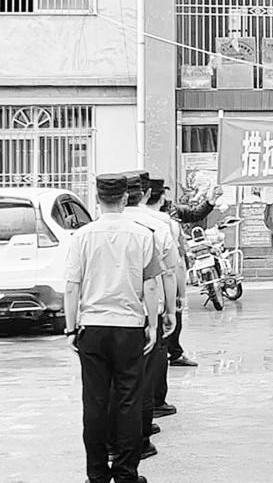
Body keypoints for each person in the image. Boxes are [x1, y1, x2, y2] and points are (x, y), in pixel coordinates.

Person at [64, 174, 163, 483]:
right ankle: (126, 473)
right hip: (129, 327)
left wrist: (70, 328)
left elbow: (72, 286)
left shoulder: (82, 236)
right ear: (124, 199)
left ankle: (96, 475)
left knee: (94, 403)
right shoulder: (143, 235)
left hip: (92, 328)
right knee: (129, 401)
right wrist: (153, 324)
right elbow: (150, 285)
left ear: (97, 199)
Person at [122, 171, 178, 457]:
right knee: (142, 378)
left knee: (111, 383)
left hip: (103, 316)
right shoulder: (158, 226)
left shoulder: (92, 230)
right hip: (144, 311)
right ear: (143, 194)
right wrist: (169, 310)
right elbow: (166, 274)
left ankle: (111, 445)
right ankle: (141, 440)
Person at [159, 183, 221, 368]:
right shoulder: (153, 221)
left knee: (174, 315)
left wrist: (210, 201)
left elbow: (194, 214)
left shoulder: (172, 211)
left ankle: (173, 352)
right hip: (159, 273)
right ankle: (158, 354)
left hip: (171, 272)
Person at [144, 179, 187, 413]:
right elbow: (173, 268)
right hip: (151, 303)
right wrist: (175, 304)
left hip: (102, 314)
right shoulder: (163, 225)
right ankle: (155, 404)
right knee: (156, 351)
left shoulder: (90, 231)